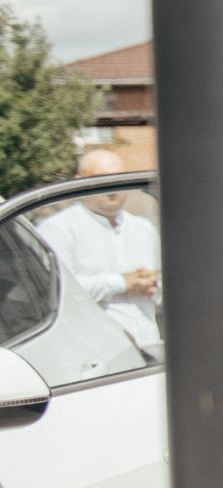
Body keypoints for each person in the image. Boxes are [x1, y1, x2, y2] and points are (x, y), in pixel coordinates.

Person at [38, 148, 160, 347]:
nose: (112, 187)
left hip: (150, 344)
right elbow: (59, 293)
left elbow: (165, 288)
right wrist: (121, 282)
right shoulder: (58, 229)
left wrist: (153, 284)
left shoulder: (144, 228)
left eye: (119, 179)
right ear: (78, 181)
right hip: (95, 355)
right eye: (102, 179)